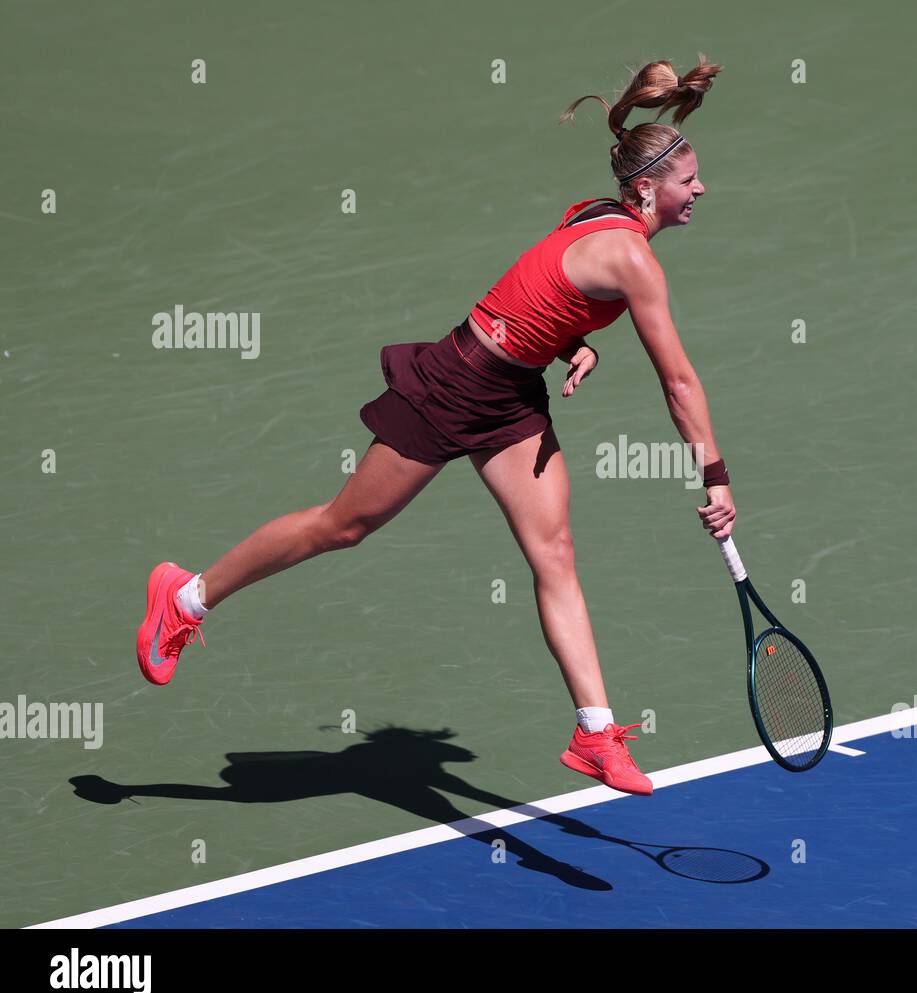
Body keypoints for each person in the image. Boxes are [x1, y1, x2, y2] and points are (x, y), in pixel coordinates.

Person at [136, 56, 734, 797]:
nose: (700, 189)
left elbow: (553, 275)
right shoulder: (635, 259)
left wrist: (568, 341)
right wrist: (714, 475)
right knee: (342, 526)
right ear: (648, 188)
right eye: (688, 180)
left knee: (555, 553)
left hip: (513, 398)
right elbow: (677, 381)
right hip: (456, 384)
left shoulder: (592, 214)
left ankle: (594, 732)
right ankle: (185, 597)